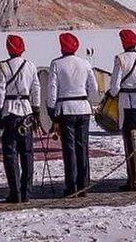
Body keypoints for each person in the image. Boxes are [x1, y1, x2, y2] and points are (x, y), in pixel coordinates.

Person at [46, 32, 98, 198]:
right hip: (82, 107)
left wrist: (51, 108)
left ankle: (72, 186)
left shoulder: (56, 64)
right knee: (83, 147)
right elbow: (94, 87)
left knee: (69, 149)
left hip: (65, 108)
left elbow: (52, 88)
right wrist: (89, 99)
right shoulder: (84, 63)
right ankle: (84, 184)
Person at [0, 33, 40, 204]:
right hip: (26, 112)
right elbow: (36, 89)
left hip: (10, 112)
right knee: (27, 153)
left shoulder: (3, 66)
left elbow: (0, 90)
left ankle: (15, 192)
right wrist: (36, 109)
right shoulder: (30, 66)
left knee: (10, 154)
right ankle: (27, 191)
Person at [108, 27, 136, 191]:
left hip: (127, 105)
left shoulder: (120, 59)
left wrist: (113, 93)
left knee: (130, 144)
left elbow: (115, 85)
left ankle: (133, 179)